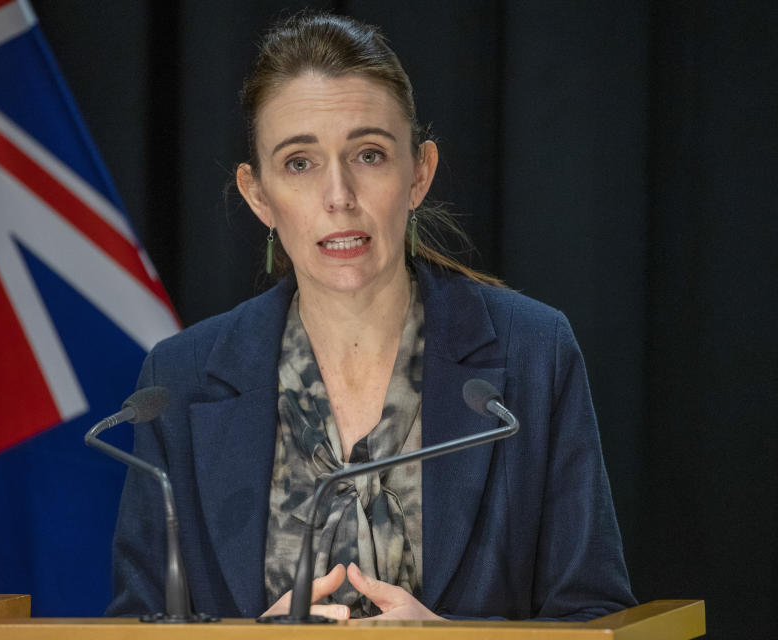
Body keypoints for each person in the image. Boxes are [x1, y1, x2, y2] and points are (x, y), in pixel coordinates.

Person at [108, 12, 635, 621]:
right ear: (259, 196)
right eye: (299, 163)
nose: (339, 195)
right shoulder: (180, 379)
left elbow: (596, 615)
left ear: (419, 173)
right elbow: (135, 627)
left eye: (369, 154)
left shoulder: (533, 352)